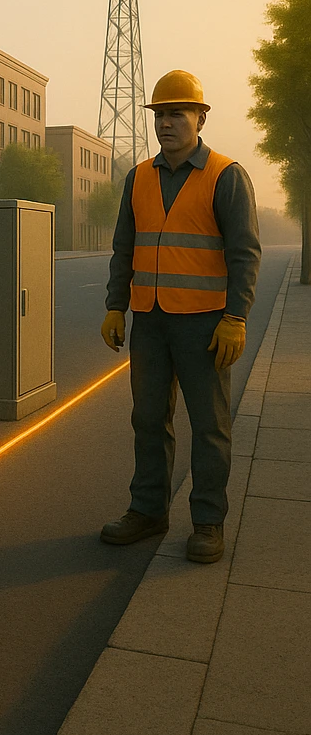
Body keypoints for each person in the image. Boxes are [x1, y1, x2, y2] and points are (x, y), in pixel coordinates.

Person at [99, 70, 261, 564]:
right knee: (148, 419)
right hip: (149, 320)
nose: (166, 123)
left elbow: (244, 253)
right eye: (160, 115)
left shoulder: (226, 175)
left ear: (200, 117)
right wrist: (115, 304)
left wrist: (236, 316)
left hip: (205, 323)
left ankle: (208, 522)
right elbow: (124, 246)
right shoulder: (139, 177)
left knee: (209, 426)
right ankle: (148, 510)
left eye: (177, 113)